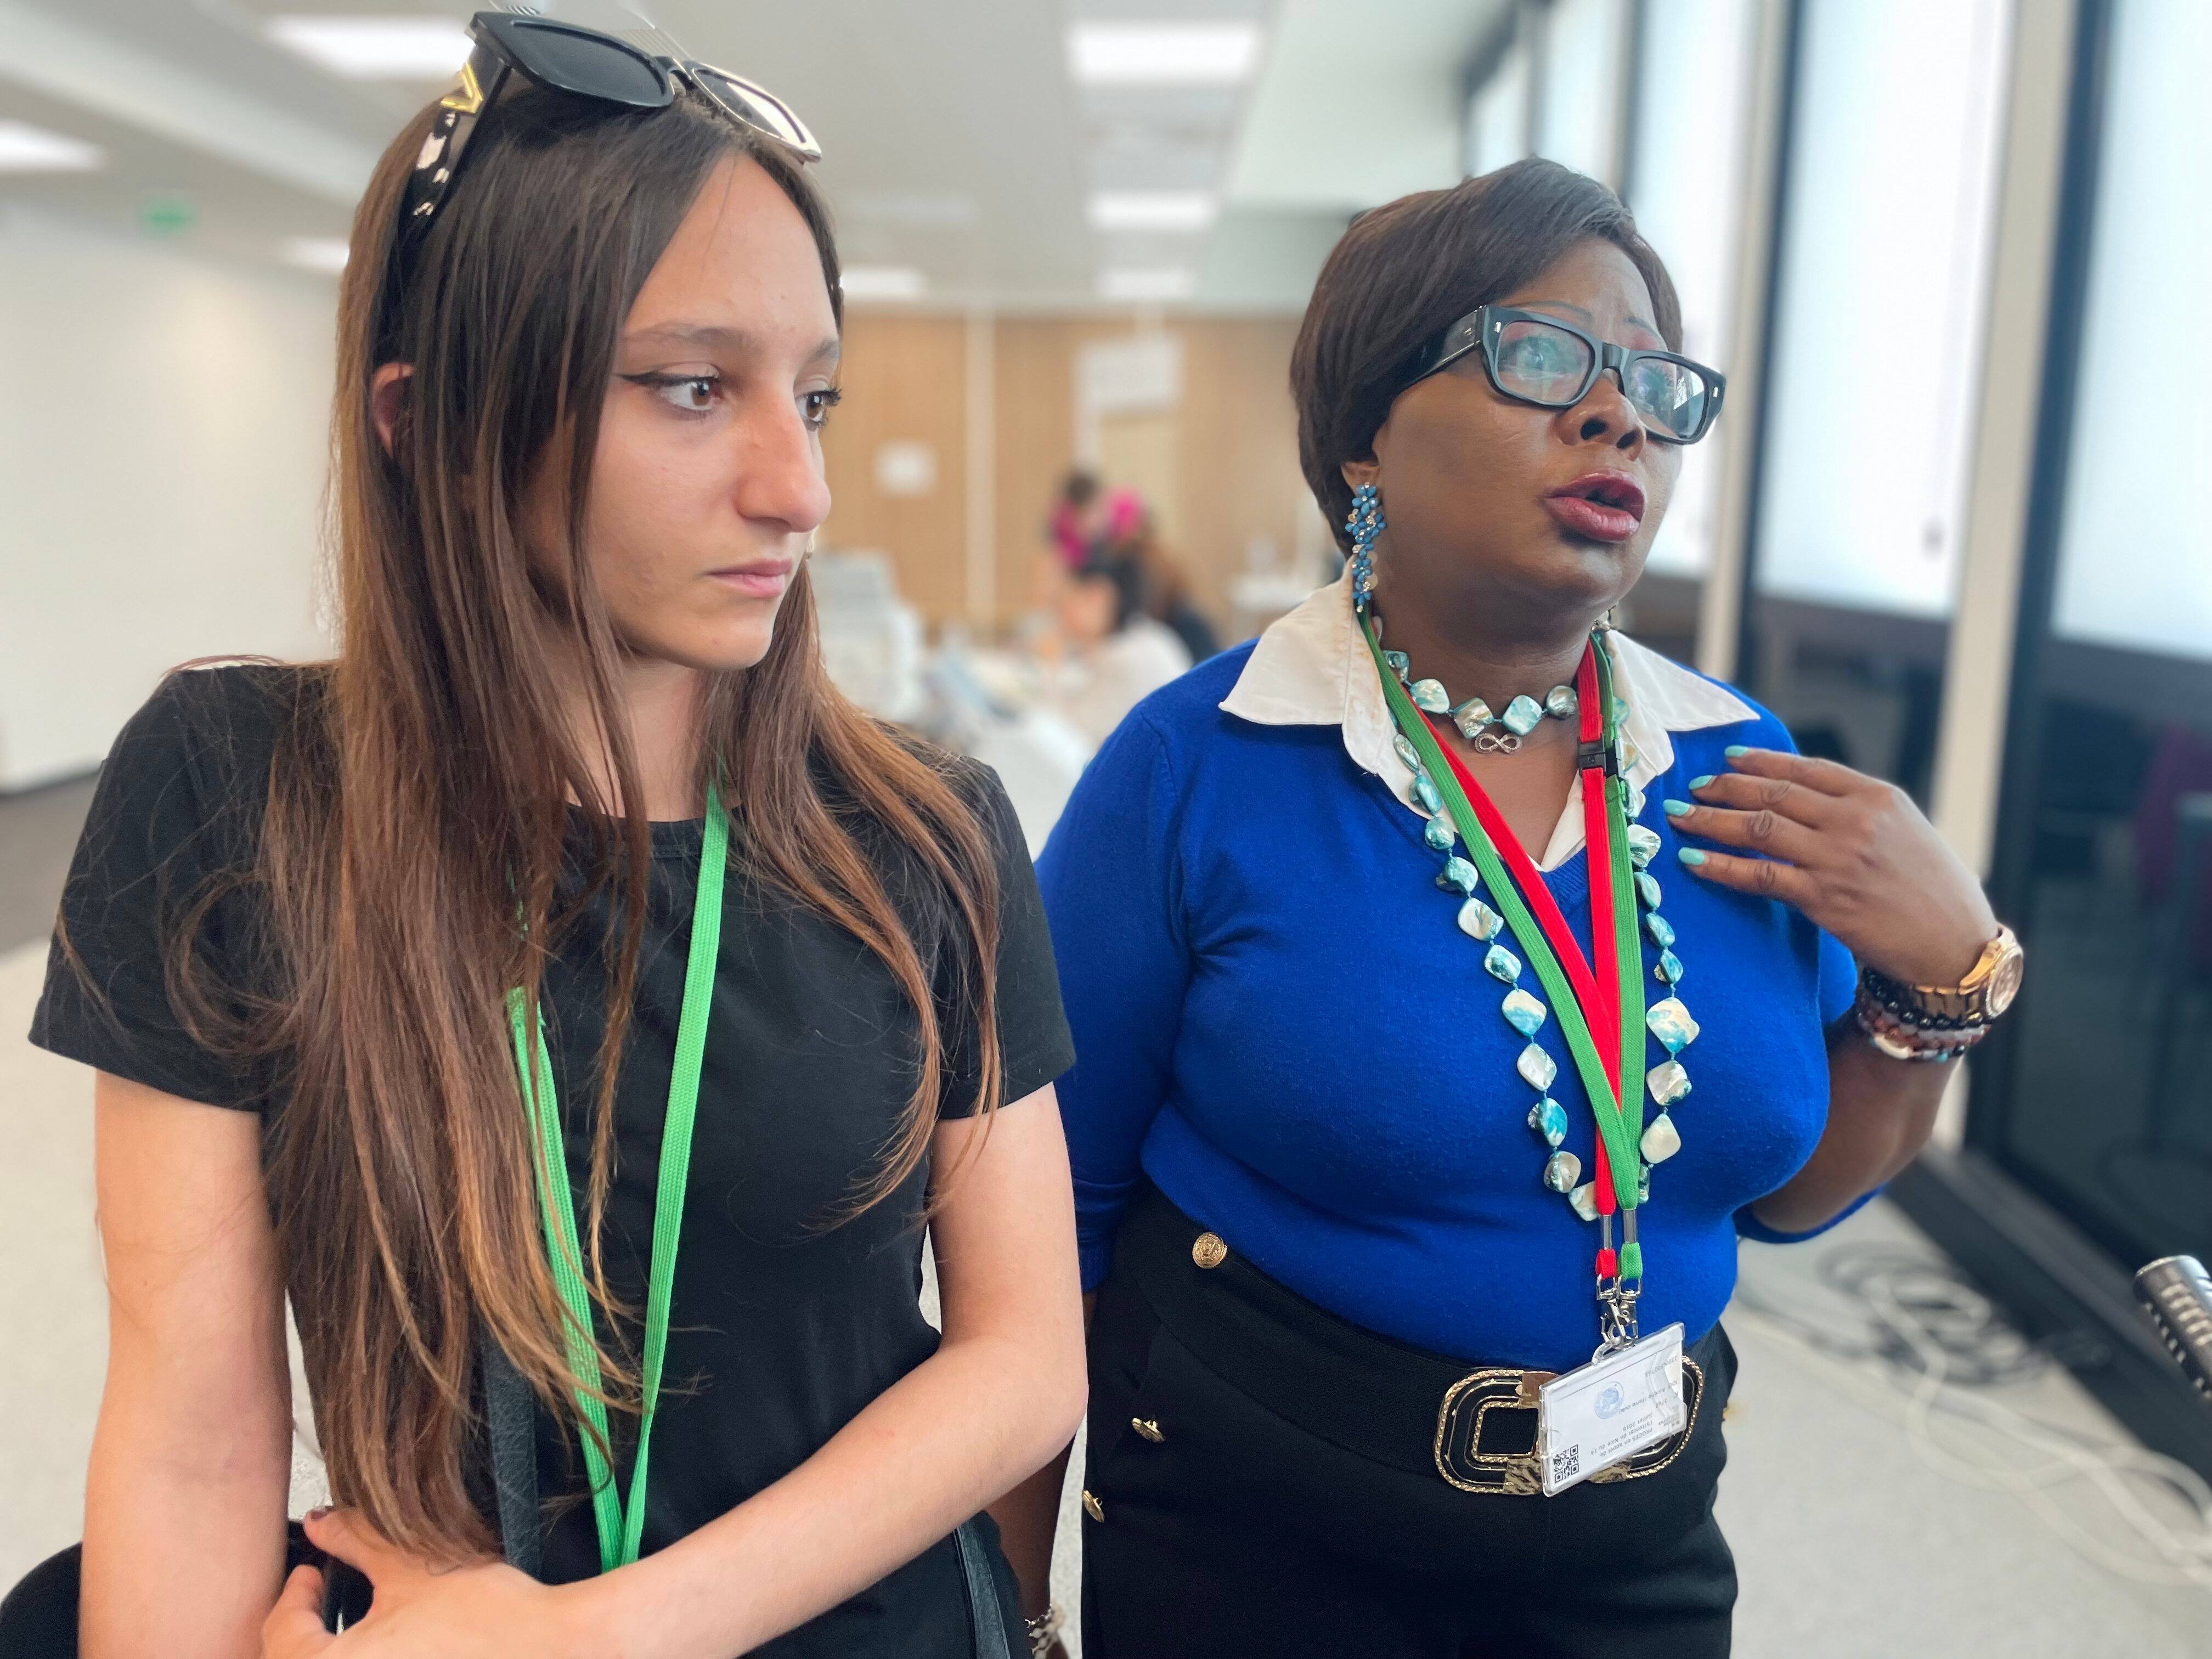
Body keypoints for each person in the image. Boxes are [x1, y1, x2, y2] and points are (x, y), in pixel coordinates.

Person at [27, 16, 1084, 1658]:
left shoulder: (923, 833)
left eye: (811, 394)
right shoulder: (237, 793)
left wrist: (609, 1636)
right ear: (431, 420)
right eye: (690, 389)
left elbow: (1024, 1362)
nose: (797, 485)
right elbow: (187, 1430)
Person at [991, 159, 2023, 1657]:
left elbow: (1789, 1199)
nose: (1616, 417)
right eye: (1541, 358)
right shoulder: (1196, 766)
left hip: (1639, 1525)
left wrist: (1939, 984)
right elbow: (1045, 1225)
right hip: (1261, 1527)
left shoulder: (1746, 773)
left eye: (1652, 384)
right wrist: (1013, 1611)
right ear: (1363, 441)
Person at [1037, 552, 1193, 751]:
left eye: (1071, 597)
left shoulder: (1126, 657)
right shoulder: (1149, 635)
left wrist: (1051, 668)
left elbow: (1069, 737)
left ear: (1099, 598)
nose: (1064, 610)